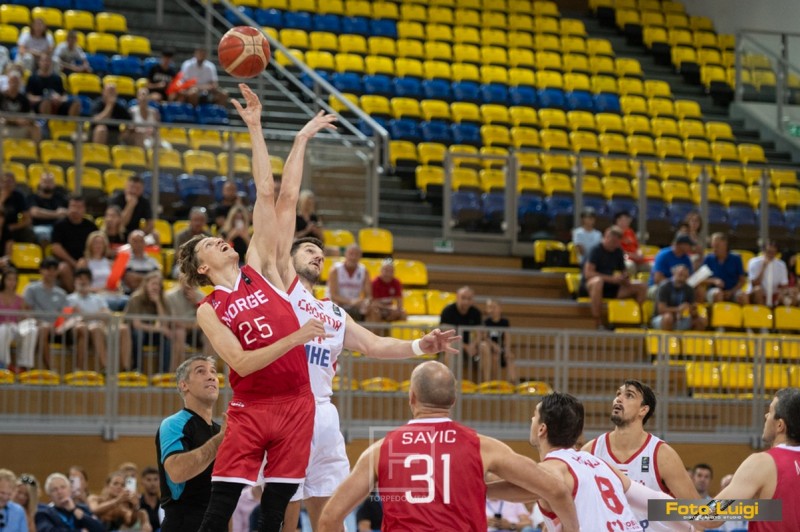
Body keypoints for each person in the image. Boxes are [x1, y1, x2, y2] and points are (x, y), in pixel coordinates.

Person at [272, 111, 458, 530]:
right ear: (288, 259)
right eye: (308, 251)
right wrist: (302, 139)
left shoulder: (334, 312)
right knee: (284, 516)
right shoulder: (282, 289)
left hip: (324, 414)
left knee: (331, 516)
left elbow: (375, 345)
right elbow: (285, 203)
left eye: (321, 253)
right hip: (285, 410)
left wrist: (420, 346)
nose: (317, 255)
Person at [177, 83, 321, 532]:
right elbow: (239, 361)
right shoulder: (209, 308)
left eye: (218, 237)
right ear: (203, 267)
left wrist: (256, 127)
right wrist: (297, 336)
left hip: (297, 401)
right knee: (220, 506)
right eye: (210, 243)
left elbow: (267, 192)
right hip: (251, 404)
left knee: (275, 510)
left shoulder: (260, 267)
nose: (220, 239)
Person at [317, 361, 579, 532]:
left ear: (412, 397)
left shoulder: (380, 450)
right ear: (453, 400)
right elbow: (556, 489)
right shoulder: (484, 447)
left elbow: (329, 518)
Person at [489, 393, 689, 532]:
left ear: (542, 429)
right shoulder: (601, 464)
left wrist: (480, 489)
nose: (531, 420)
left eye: (534, 416)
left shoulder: (552, 470)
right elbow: (657, 502)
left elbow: (527, 485)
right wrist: (693, 523)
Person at [582, 380, 700, 531]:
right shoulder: (591, 451)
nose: (618, 399)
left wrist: (729, 508)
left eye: (629, 395)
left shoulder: (662, 455)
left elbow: (699, 513)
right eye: (618, 394)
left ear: (643, 410)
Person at [693, 388, 800, 531]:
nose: (766, 415)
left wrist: (665, 507)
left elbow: (709, 516)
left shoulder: (763, 463)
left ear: (780, 425)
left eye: (770, 411)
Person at [156, 356, 223, 531]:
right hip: (184, 524)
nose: (211, 377)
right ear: (184, 385)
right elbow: (177, 472)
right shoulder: (173, 424)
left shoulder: (221, 430)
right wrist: (220, 441)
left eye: (213, 372)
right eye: (201, 371)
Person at [579, 226, 646, 329]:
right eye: (612, 240)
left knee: (641, 286)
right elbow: (588, 273)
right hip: (592, 286)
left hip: (612, 288)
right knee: (598, 282)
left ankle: (639, 321)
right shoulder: (595, 250)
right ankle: (598, 321)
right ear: (606, 237)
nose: (613, 244)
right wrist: (611, 279)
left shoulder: (618, 251)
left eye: (616, 241)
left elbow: (623, 271)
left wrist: (624, 279)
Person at [23, 257, 68, 370]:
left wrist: (58, 326)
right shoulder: (31, 289)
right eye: (48, 269)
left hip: (57, 329)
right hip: (37, 325)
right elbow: (26, 311)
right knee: (43, 329)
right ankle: (50, 369)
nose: (51, 273)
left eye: (54, 270)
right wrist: (38, 322)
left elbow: (65, 314)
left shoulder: (62, 293)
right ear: (41, 271)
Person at [124, 271, 173, 374]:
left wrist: (158, 303)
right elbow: (137, 325)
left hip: (152, 331)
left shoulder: (163, 300)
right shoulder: (136, 298)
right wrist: (160, 329)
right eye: (153, 284)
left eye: (158, 285)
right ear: (146, 284)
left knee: (165, 337)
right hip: (133, 332)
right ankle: (137, 369)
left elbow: (165, 324)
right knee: (139, 334)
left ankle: (163, 372)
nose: (155, 287)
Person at [51, 195, 99, 293]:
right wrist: (73, 263)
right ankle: (76, 295)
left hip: (86, 261)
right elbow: (55, 247)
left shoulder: (91, 227)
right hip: (66, 261)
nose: (75, 210)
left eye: (79, 207)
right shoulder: (59, 225)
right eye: (72, 206)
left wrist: (85, 261)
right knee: (63, 267)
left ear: (84, 209)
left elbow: (97, 245)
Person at [439, 285, 483, 380]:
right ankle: (450, 381)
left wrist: (473, 345)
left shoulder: (476, 313)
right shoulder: (448, 311)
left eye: (469, 298)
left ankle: (488, 384)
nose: (466, 301)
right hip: (454, 344)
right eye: (463, 298)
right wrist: (466, 347)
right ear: (457, 297)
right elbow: (448, 337)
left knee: (485, 347)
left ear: (472, 300)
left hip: (471, 347)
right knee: (451, 346)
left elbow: (480, 334)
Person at [35, 473, 104, 532]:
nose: (60, 492)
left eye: (63, 487)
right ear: (49, 496)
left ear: (70, 490)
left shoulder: (83, 508)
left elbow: (100, 529)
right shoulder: (44, 513)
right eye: (54, 490)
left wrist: (75, 511)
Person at [0, 268, 37, 373]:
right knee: (5, 329)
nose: (11, 282)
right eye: (9, 279)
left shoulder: (20, 299)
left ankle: (25, 365)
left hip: (14, 328)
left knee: (31, 329)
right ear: (3, 280)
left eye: (14, 279)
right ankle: (4, 364)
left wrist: (28, 317)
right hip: (1, 328)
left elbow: (23, 316)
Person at [651, 264, 707, 331]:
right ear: (674, 273)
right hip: (661, 318)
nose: (682, 277)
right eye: (680, 274)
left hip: (680, 319)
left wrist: (692, 310)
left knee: (701, 321)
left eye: (685, 275)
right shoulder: (664, 286)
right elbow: (661, 310)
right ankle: (667, 338)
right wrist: (678, 309)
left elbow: (693, 311)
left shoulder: (689, 289)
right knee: (668, 317)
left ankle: (692, 338)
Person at [328, 244, 372, 320]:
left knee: (373, 310)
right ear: (345, 254)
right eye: (351, 254)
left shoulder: (364, 271)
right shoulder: (335, 270)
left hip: (355, 306)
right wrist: (351, 302)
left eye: (356, 255)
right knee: (335, 307)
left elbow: (368, 296)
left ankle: (370, 328)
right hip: (337, 305)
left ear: (360, 256)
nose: (353, 257)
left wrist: (366, 302)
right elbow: (333, 296)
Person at [701, 232, 746, 304]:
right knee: (718, 294)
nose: (714, 249)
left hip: (733, 290)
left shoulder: (736, 259)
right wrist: (714, 281)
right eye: (713, 246)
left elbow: (742, 281)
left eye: (717, 246)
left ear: (725, 245)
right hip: (714, 290)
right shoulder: (708, 259)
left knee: (743, 296)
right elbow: (701, 279)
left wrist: (731, 292)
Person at [748, 239, 796, 307]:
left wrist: (784, 292)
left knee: (791, 295)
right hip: (757, 293)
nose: (771, 255)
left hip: (774, 293)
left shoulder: (781, 265)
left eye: (773, 252)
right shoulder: (754, 262)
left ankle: (781, 312)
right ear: (763, 251)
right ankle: (764, 311)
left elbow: (784, 285)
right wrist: (763, 267)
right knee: (757, 290)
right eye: (769, 252)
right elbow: (755, 284)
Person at [481, 298, 517, 383]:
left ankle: (514, 382)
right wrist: (493, 345)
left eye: (494, 307)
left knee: (510, 357)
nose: (492, 310)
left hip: (501, 348)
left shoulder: (504, 322)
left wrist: (507, 350)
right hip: (490, 349)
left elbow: (507, 337)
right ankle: (493, 382)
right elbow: (485, 337)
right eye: (489, 307)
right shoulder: (486, 322)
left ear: (500, 308)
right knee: (495, 357)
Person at [29, 171, 68, 244]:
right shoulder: (33, 197)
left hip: (58, 227)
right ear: (40, 183)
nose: (47, 184)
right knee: (44, 234)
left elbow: (67, 211)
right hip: (39, 226)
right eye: (45, 181)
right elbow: (35, 212)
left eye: (50, 182)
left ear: (54, 184)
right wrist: (56, 214)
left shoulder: (60, 198)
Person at [0, 70, 40, 141]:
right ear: (8, 82)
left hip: (20, 125)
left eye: (16, 82)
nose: (14, 84)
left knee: (35, 127)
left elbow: (30, 114)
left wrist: (26, 120)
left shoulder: (23, 98)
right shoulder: (2, 96)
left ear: (20, 84)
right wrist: (14, 120)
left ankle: (35, 148)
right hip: (5, 123)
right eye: (12, 81)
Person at [0, 171, 37, 244]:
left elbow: (27, 220)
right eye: (4, 182)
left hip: (12, 227)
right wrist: (2, 200)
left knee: (28, 232)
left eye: (10, 182)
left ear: (15, 184)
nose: (7, 185)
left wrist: (13, 227)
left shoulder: (19, 196)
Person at [122, 230, 162, 295]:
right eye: (135, 241)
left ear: (145, 243)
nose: (138, 244)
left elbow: (158, 280)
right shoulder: (124, 260)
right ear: (130, 243)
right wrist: (149, 279)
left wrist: (137, 277)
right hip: (131, 295)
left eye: (141, 241)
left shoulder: (153, 261)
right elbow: (131, 282)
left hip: (150, 295)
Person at [615, 211, 647, 275]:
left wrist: (639, 253)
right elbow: (617, 251)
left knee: (652, 266)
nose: (626, 222)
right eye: (624, 220)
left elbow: (637, 247)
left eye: (628, 220)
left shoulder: (630, 232)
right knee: (630, 265)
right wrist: (632, 255)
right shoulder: (614, 233)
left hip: (636, 259)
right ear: (618, 221)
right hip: (623, 259)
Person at [139, 466, 160, 532]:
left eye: (155, 479)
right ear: (142, 482)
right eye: (148, 480)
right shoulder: (137, 504)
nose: (152, 483)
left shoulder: (165, 505)